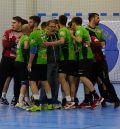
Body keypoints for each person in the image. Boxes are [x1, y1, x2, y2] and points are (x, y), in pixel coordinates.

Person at [86, 13, 120, 108]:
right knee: (91, 81)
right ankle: (93, 100)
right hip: (91, 61)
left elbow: (103, 43)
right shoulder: (85, 30)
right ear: (92, 18)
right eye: (97, 18)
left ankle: (116, 99)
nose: (99, 19)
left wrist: (94, 44)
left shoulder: (99, 30)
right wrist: (95, 44)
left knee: (105, 80)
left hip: (100, 60)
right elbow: (86, 45)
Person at [71, 16, 104, 109]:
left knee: (82, 77)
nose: (71, 26)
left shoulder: (79, 29)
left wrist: (71, 35)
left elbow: (79, 40)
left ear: (74, 23)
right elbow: (83, 43)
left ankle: (97, 97)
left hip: (85, 57)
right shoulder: (82, 29)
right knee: (85, 78)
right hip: (86, 56)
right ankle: (88, 101)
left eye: (72, 24)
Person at [44, 15, 76, 109]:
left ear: (58, 24)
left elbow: (61, 42)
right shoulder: (67, 31)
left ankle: (67, 101)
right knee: (68, 80)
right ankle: (71, 101)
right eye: (51, 26)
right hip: (63, 60)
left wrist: (49, 43)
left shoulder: (61, 31)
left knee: (60, 80)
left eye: (54, 26)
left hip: (62, 60)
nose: (53, 28)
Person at [26, 16, 53, 112]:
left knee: (32, 81)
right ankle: (50, 104)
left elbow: (33, 50)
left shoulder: (34, 34)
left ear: (35, 23)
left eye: (30, 22)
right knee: (44, 81)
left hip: (36, 61)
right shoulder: (43, 32)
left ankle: (37, 104)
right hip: (44, 61)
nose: (29, 23)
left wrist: (29, 62)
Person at [0, 16, 23, 105]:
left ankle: (16, 99)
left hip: (18, 60)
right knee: (2, 78)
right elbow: (5, 44)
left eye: (14, 22)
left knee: (17, 80)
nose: (12, 24)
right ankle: (2, 97)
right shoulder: (8, 32)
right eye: (12, 23)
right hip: (6, 59)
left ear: (20, 23)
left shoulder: (24, 34)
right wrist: (15, 42)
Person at [15, 24, 31, 108]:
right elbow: (25, 47)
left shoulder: (21, 37)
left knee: (23, 81)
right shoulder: (26, 38)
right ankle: (20, 101)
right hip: (22, 62)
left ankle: (26, 99)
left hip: (17, 61)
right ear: (28, 29)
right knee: (24, 82)